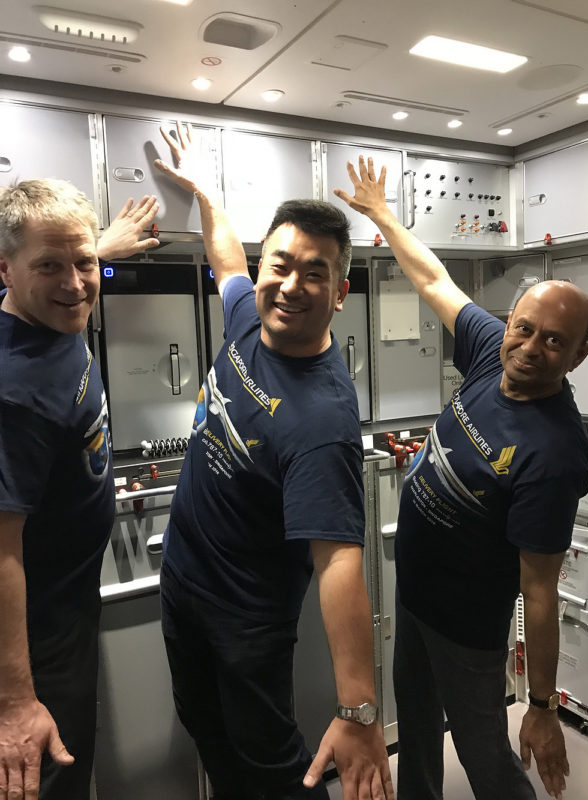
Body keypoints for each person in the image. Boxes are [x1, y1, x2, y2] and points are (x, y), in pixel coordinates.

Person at [334, 156, 588, 800]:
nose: (531, 348)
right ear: (509, 322)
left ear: (579, 355)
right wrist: (384, 216)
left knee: (484, 756)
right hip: (417, 598)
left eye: (554, 342)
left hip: (467, 629)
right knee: (418, 732)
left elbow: (538, 590)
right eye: (525, 328)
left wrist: (539, 704)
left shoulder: (554, 451)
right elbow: (434, 279)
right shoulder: (488, 349)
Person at [153, 123, 394, 800]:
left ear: (340, 295)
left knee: (270, 765)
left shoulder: (323, 418)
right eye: (280, 265)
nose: (290, 285)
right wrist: (204, 188)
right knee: (205, 727)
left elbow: (339, 561)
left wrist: (359, 710)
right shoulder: (245, 321)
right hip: (186, 583)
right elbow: (227, 256)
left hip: (246, 617)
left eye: (314, 274)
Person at [0, 181, 160, 800]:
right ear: (7, 271)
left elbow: (70, 274)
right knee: (51, 781)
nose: (75, 284)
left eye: (85, 261)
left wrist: (102, 245)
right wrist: (15, 699)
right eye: (50, 266)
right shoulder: (13, 393)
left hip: (68, 603)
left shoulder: (51, 313)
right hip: (36, 639)